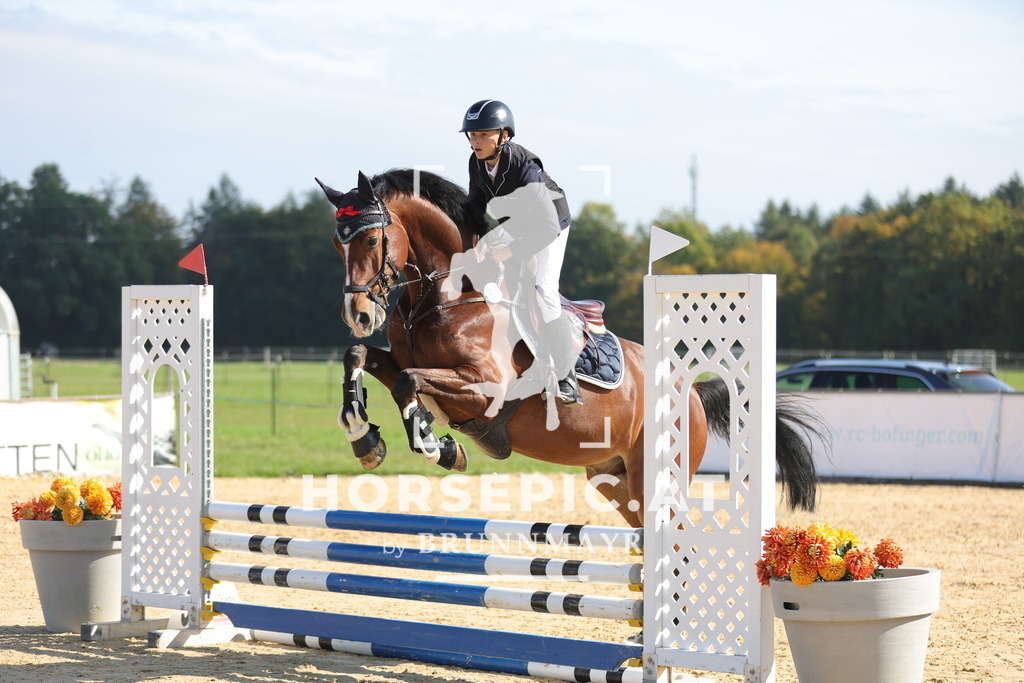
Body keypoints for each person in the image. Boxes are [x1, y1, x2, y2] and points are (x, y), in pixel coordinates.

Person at [459, 99, 582, 406]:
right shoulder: (477, 162)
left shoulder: (525, 166)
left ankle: (567, 378)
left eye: (484, 134)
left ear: (504, 135)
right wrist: (477, 241)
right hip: (516, 224)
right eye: (472, 134)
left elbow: (546, 226)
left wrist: (511, 251)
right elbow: (475, 207)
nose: (476, 140)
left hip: (550, 225)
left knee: (543, 290)